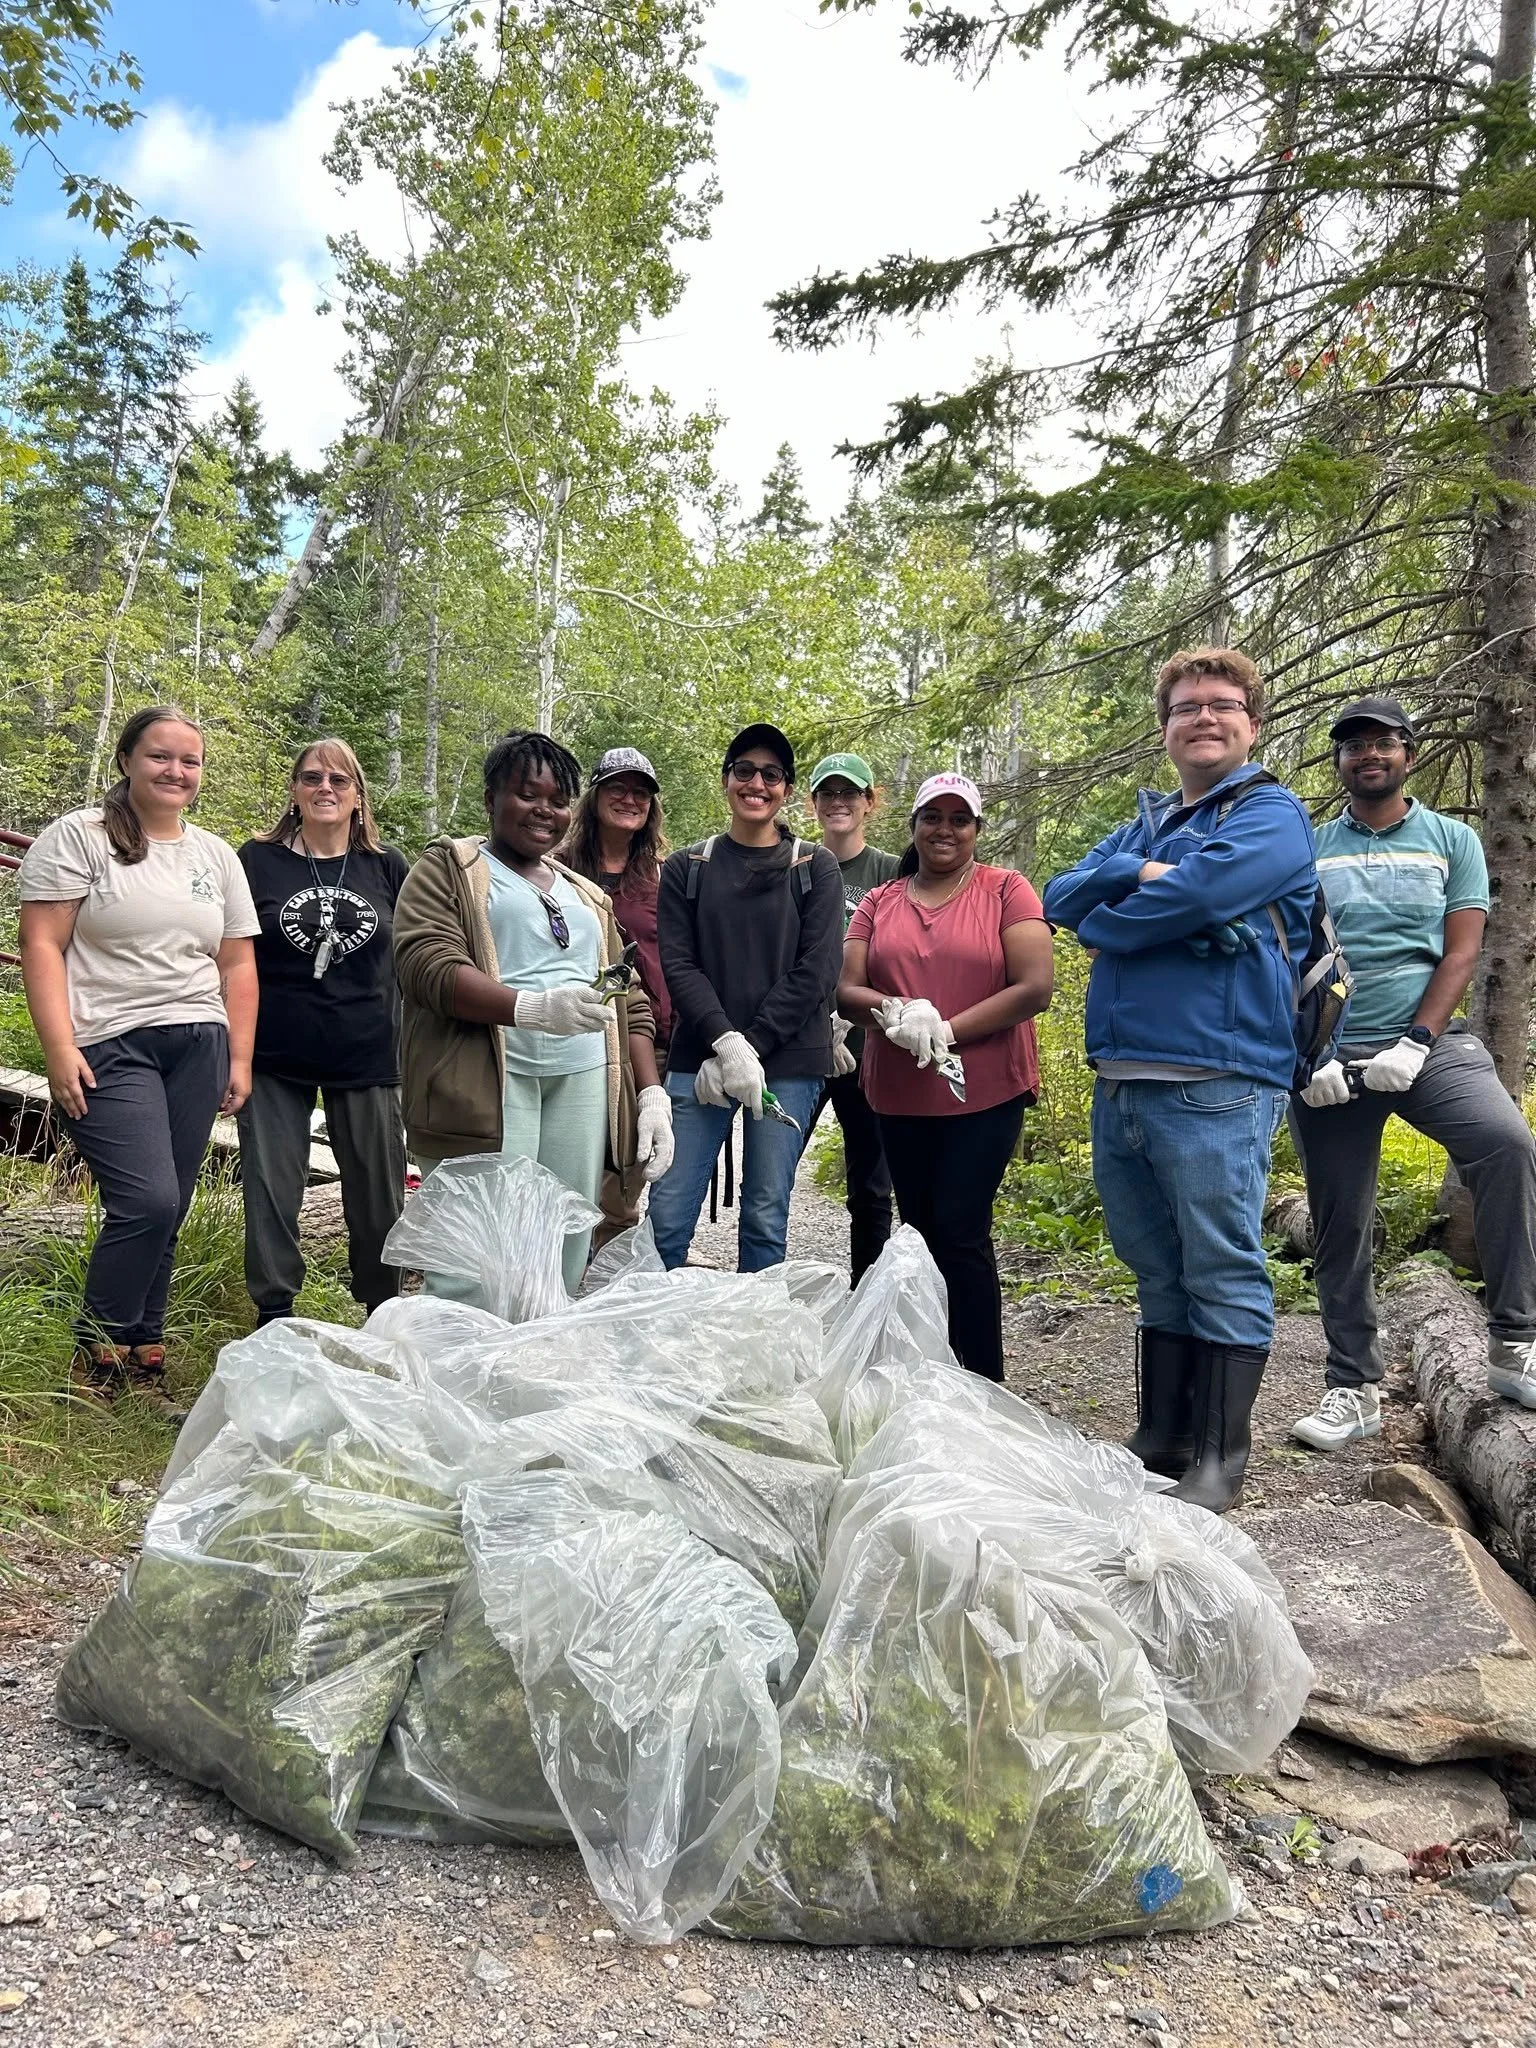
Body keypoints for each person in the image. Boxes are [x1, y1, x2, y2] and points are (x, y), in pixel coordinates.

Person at [1042, 648, 1318, 1513]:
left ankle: (1220, 1463)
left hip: (1219, 1078)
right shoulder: (1148, 825)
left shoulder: (1272, 816)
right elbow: (1059, 895)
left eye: (1222, 704)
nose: (1204, 717)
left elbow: (1192, 902)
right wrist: (1137, 873)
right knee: (1156, 1265)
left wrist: (1131, 911)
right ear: (1164, 727)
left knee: (1221, 1264)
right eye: (1185, 706)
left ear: (1252, 722)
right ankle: (1161, 1437)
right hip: (1123, 1078)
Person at [1290, 697, 1536, 1446]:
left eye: (1383, 743)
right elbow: (1282, 953)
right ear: (1339, 763)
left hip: (1429, 1046)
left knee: (1507, 1144)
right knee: (1339, 1215)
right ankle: (1352, 1389)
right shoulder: (1307, 844)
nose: (1368, 754)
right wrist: (1303, 1060)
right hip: (1330, 1053)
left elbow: (1461, 950)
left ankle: (1515, 1341)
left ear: (1409, 754)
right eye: (1353, 746)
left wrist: (1416, 1041)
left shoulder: (1449, 839)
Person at [17, 706, 260, 1412]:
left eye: (190, 760)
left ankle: (143, 1357)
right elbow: (41, 944)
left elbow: (238, 964)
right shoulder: (80, 838)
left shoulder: (213, 856)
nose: (176, 771)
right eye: (161, 756)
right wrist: (59, 1048)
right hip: (109, 1041)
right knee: (145, 1200)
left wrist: (239, 1057)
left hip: (200, 1043)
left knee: (171, 1206)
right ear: (126, 760)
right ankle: (95, 1347)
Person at [392, 730, 670, 1296]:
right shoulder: (452, 866)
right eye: (526, 794)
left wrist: (650, 1093)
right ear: (492, 797)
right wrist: (532, 1008)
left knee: (565, 1236)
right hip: (491, 1081)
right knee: (480, 1250)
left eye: (558, 799)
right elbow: (425, 963)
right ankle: (466, 1372)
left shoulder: (585, 894)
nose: (545, 810)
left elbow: (629, 997)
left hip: (582, 1080)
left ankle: (542, 1364)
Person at [837, 773, 1053, 1378]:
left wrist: (947, 1031)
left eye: (960, 819)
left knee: (961, 1231)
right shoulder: (881, 900)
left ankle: (983, 1382)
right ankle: (926, 1372)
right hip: (899, 1095)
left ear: (976, 830)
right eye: (933, 817)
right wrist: (894, 1013)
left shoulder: (1007, 890)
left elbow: (1034, 985)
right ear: (914, 825)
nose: (945, 829)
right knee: (918, 1234)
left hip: (983, 1092)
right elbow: (846, 987)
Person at [649, 722, 842, 1272]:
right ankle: (645, 1340)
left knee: (764, 1215)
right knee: (667, 1213)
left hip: (789, 1060)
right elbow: (678, 964)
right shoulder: (689, 867)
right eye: (745, 770)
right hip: (700, 1058)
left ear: (786, 789)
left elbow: (819, 971)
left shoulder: (814, 866)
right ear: (726, 779)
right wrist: (724, 1043)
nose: (757, 783)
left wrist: (748, 1047)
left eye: (772, 774)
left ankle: (754, 1346)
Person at [236, 739, 410, 1327]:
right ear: (294, 791)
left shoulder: (387, 866)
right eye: (311, 778)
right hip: (273, 1054)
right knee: (271, 1188)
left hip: (366, 1054)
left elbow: (413, 961)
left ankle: (382, 1310)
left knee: (379, 1197)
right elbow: (229, 955)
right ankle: (275, 1312)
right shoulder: (257, 860)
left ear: (359, 795)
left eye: (339, 779)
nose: (325, 788)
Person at [560, 745, 673, 1245]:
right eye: (618, 788)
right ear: (595, 795)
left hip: (652, 1037)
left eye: (640, 792)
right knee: (575, 1162)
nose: (629, 799)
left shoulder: (664, 876)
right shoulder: (556, 867)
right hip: (579, 1033)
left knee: (629, 1164)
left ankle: (606, 1275)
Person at [805, 752, 900, 1283]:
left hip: (867, 1051)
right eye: (828, 793)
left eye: (850, 793)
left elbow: (905, 949)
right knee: (772, 1172)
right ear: (814, 803)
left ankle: (868, 1297)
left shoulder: (889, 872)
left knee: (870, 1186)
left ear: (869, 801)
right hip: (804, 1045)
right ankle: (761, 1293)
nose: (839, 802)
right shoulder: (797, 865)